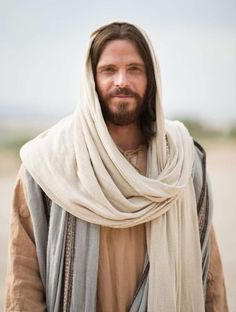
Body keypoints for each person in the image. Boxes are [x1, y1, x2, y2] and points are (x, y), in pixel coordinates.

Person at [5, 22, 228, 312]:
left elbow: (209, 273)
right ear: (91, 79)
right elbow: (23, 280)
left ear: (151, 79)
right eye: (109, 70)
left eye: (135, 69)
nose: (121, 80)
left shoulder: (182, 165)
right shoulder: (48, 165)